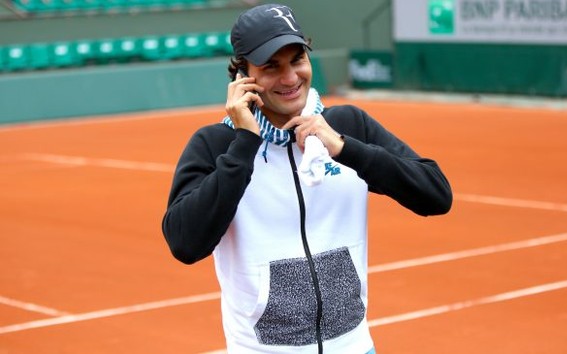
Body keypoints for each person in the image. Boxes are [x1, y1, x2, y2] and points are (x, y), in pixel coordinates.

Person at [162, 3, 452, 354]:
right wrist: (245, 143)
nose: (289, 78)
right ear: (243, 76)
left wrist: (346, 149)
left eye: (297, 59)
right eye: (271, 66)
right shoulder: (216, 144)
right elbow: (185, 243)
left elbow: (436, 195)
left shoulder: (347, 126)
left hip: (354, 347)